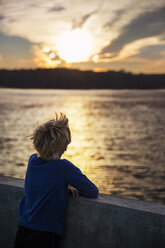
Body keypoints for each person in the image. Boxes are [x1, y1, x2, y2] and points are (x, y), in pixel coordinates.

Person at [13, 112, 99, 248]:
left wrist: (63, 187)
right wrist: (68, 185)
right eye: (66, 144)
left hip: (23, 229)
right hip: (44, 235)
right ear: (61, 146)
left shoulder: (32, 161)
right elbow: (92, 191)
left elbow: (45, 181)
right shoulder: (63, 167)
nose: (66, 148)